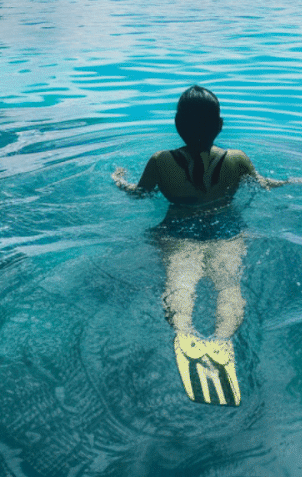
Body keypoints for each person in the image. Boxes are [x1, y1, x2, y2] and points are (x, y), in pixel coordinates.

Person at [113, 85, 290, 405]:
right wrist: (294, 182)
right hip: (227, 232)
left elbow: (140, 194)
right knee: (229, 285)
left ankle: (185, 333)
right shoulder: (236, 159)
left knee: (179, 284)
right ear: (220, 126)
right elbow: (263, 185)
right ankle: (223, 339)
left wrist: (118, 180)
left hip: (178, 233)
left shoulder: (160, 162)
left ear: (177, 125)